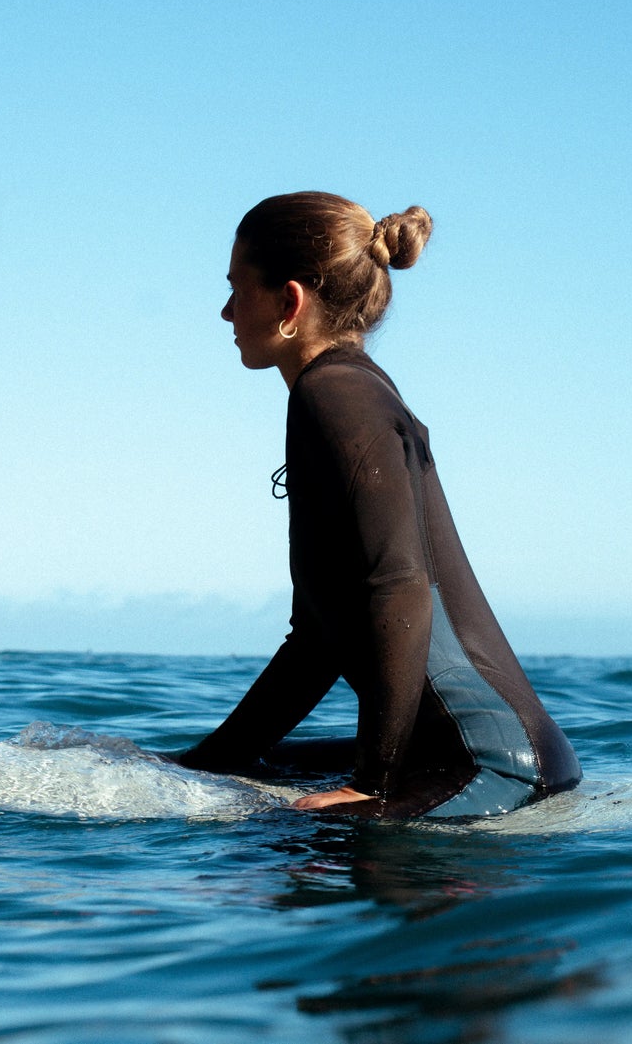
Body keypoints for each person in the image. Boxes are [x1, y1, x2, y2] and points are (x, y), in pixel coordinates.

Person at [177, 192, 582, 819]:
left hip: (491, 764)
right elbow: (317, 640)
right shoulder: (341, 389)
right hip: (461, 752)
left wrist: (374, 784)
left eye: (237, 288)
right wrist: (205, 761)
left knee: (277, 845)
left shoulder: (335, 396)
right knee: (233, 789)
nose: (225, 310)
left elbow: (398, 588)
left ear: (290, 302)